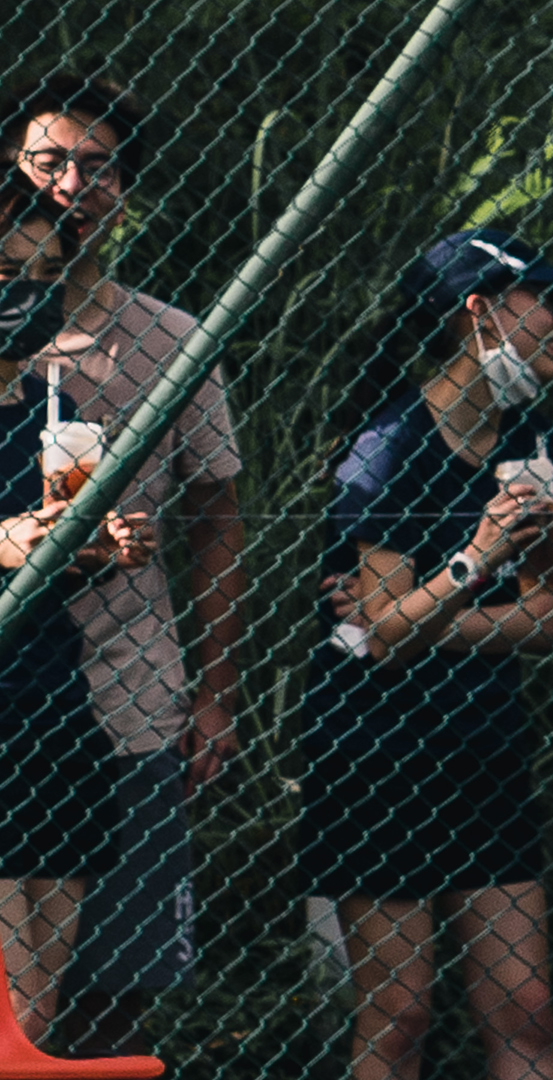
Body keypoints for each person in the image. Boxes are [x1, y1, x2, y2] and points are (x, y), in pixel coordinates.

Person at [301, 228, 553, 1080]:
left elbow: (542, 618)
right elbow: (386, 643)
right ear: (481, 312)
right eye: (543, 298)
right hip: (376, 754)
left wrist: (421, 614)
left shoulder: (532, 437)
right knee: (399, 1018)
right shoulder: (389, 445)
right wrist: (475, 560)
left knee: (528, 1013)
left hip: (484, 743)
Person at [2, 72, 247, 1053]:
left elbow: (218, 515)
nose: (71, 183)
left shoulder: (173, 339)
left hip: (131, 699)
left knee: (114, 998)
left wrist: (216, 691)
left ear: (127, 190)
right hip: (12, 694)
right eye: (47, 161)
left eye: (96, 168)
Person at [0, 176, 153, 1043]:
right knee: (13, 1002)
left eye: (38, 276)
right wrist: (9, 540)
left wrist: (100, 545)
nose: (18, 296)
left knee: (45, 1012)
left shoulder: (56, 413)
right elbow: (15, 542)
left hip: (56, 712)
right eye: (1, 270)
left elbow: (57, 547)